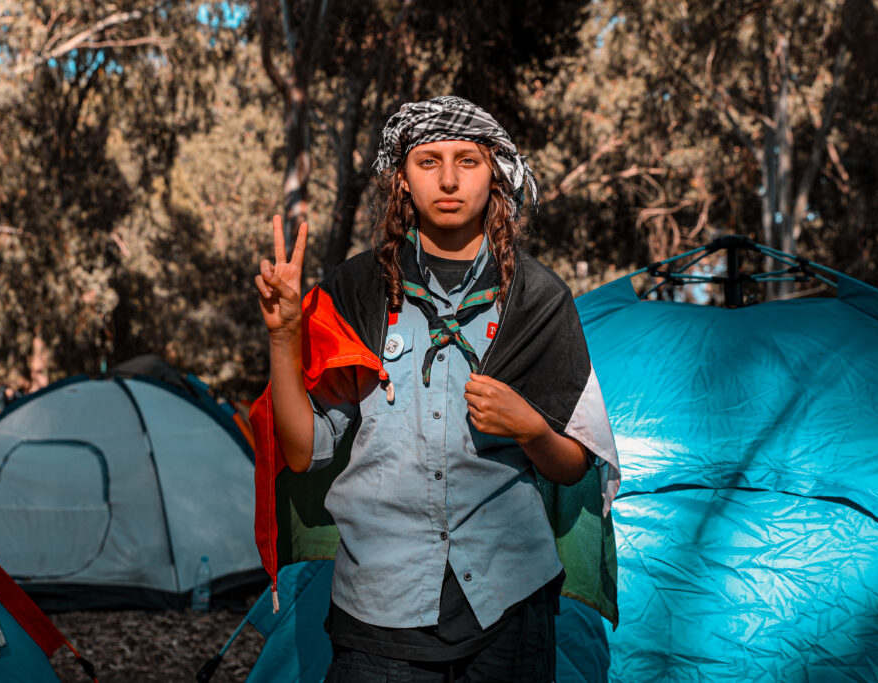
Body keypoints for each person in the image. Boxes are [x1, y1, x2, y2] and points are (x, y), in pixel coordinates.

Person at [251, 95, 620, 682]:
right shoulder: (357, 289)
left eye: (467, 161)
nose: (449, 180)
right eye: (429, 162)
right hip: (378, 611)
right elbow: (302, 452)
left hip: (508, 607)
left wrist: (529, 427)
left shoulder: (537, 298)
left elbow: (573, 463)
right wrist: (284, 336)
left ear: (494, 174)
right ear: (402, 178)